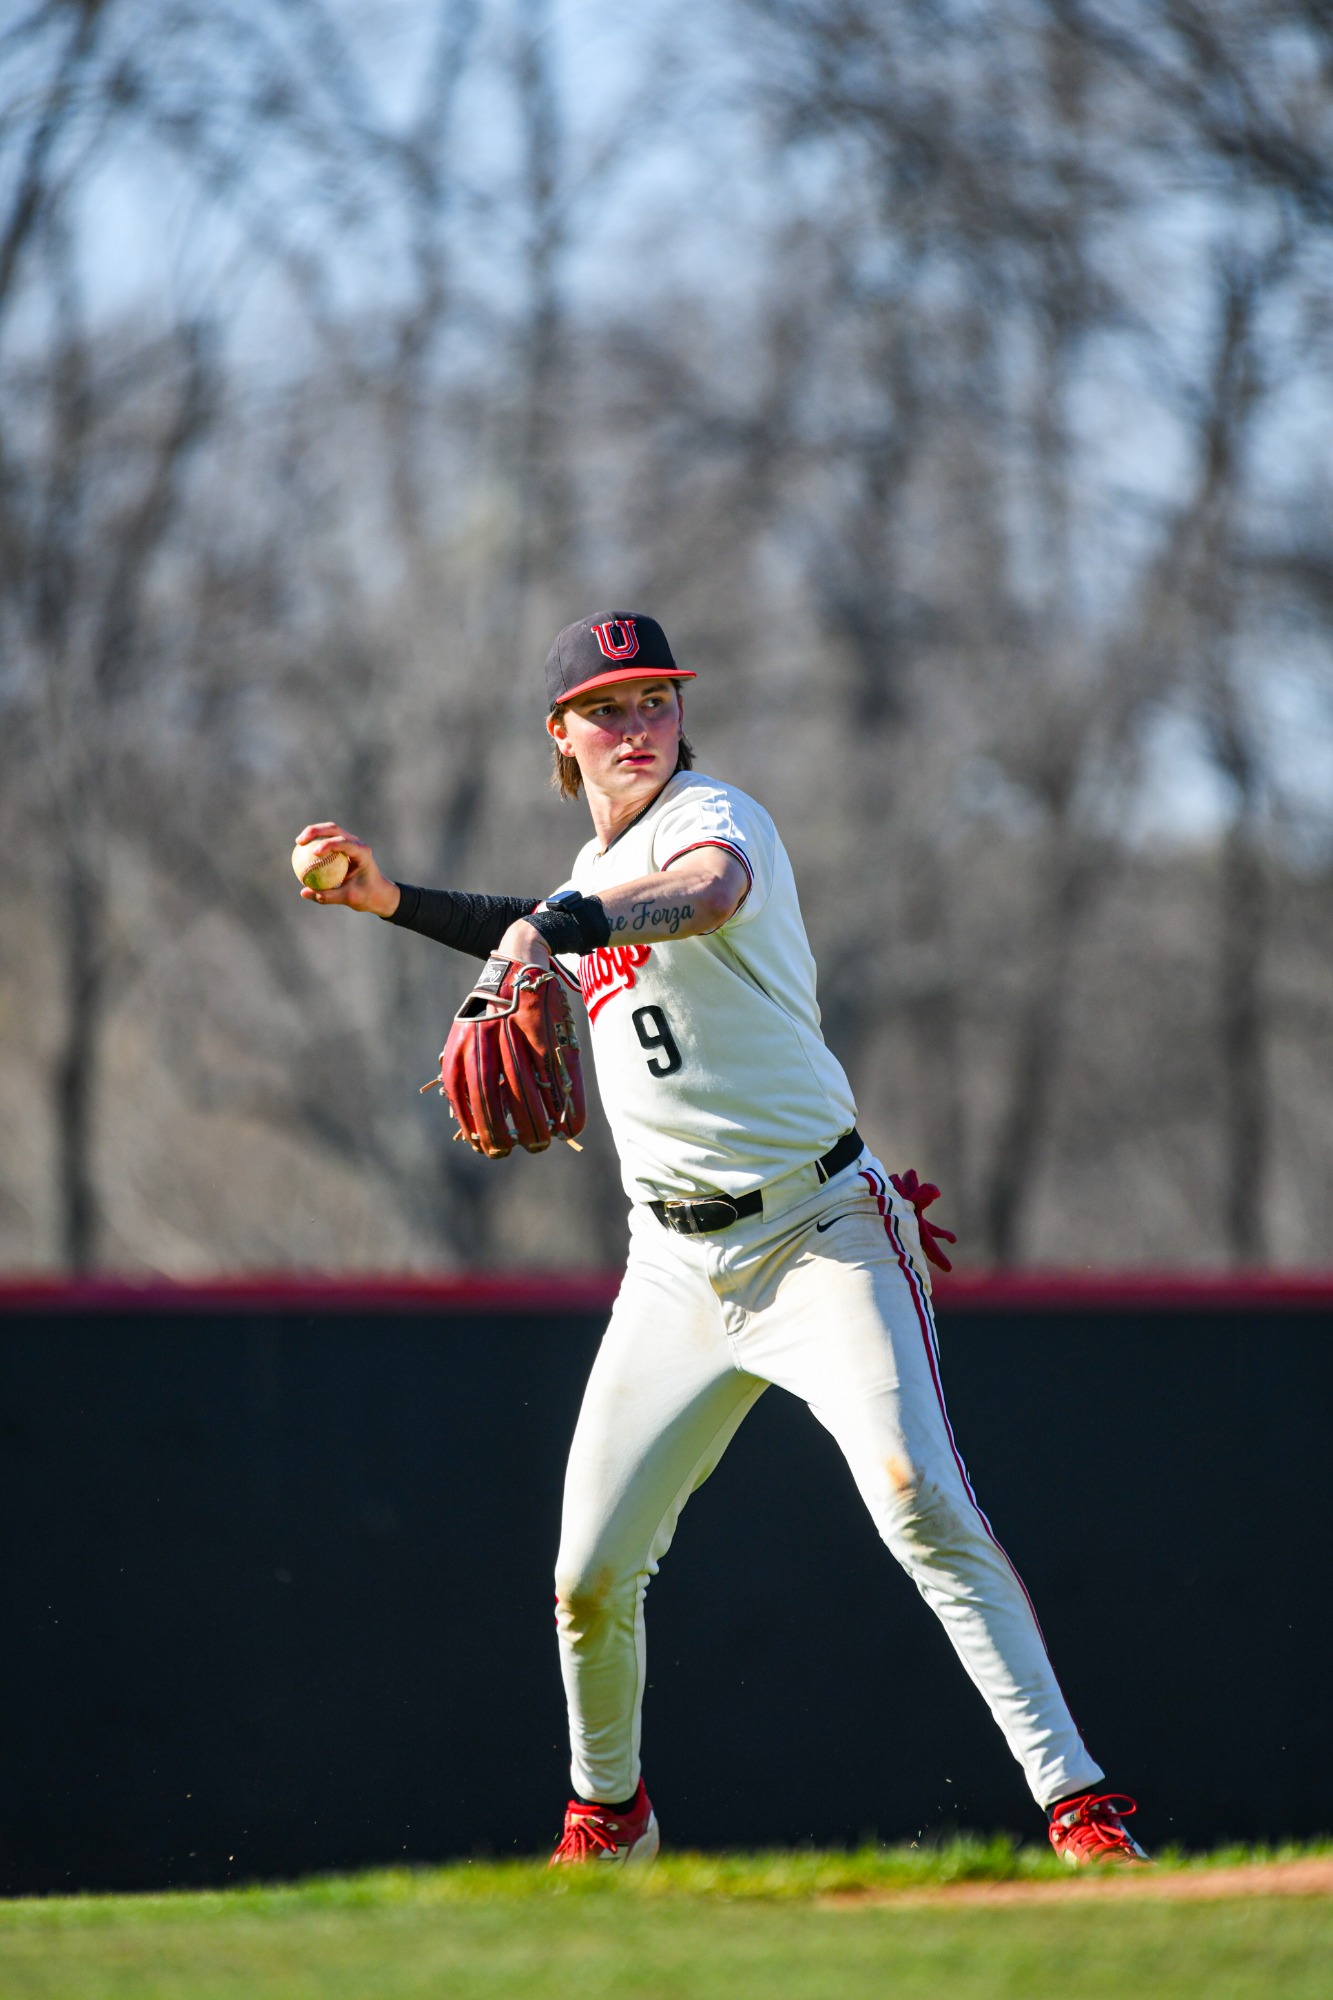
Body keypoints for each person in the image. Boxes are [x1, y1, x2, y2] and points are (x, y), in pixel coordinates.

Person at [295, 610, 1149, 1869]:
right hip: (673, 1268)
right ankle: (610, 1816)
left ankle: (1076, 1803)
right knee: (588, 1572)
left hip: (823, 1235)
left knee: (920, 1500)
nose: (634, 725)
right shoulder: (589, 875)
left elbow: (703, 896)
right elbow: (540, 913)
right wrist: (389, 901)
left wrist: (552, 925)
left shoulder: (715, 818)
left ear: (681, 717)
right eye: (606, 706)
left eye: (653, 699)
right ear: (560, 735)